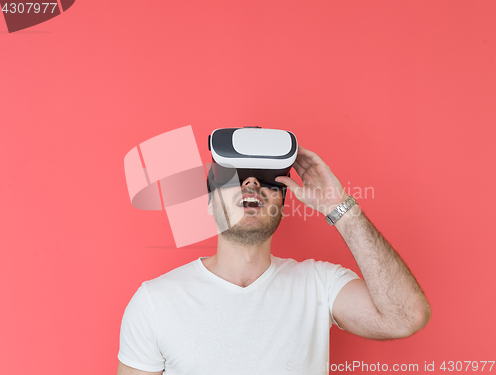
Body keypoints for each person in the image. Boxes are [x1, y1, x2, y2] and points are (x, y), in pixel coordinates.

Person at [116, 145, 431, 375]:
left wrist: (340, 208)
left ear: (283, 202)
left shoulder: (318, 285)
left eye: (266, 179)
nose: (251, 184)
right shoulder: (155, 301)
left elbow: (405, 317)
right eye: (234, 177)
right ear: (210, 203)